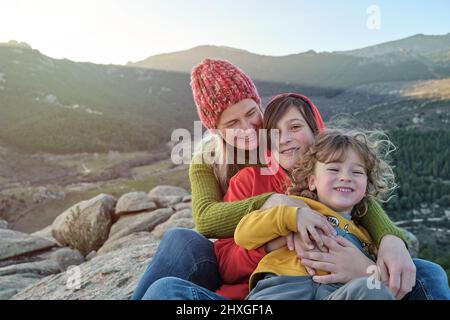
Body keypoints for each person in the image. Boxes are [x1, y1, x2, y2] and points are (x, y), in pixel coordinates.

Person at [131, 59, 446, 300]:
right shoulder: (217, 165)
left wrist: (390, 239)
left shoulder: (314, 160)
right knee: (177, 247)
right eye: (231, 123)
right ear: (216, 129)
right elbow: (208, 222)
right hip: (261, 279)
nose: (248, 128)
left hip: (333, 284)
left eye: (252, 113)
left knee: (427, 273)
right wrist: (274, 214)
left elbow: (358, 198)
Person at [234, 128, 397, 300]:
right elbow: (243, 235)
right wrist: (292, 217)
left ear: (366, 185)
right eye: (334, 169)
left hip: (337, 293)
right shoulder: (296, 208)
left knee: (372, 291)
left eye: (356, 172)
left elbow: (388, 284)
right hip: (283, 287)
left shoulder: (367, 237)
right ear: (312, 181)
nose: (345, 177)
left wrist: (369, 271)